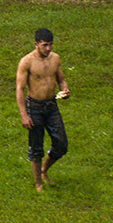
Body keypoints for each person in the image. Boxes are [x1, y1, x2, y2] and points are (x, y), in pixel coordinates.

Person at [15, 28, 70, 191]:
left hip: (52, 106)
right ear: (36, 44)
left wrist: (65, 90)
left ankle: (44, 169)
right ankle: (38, 182)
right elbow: (20, 89)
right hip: (35, 107)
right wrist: (24, 115)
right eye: (45, 45)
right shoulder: (27, 62)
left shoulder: (55, 59)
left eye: (51, 45)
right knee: (36, 146)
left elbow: (61, 79)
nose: (49, 48)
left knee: (61, 144)